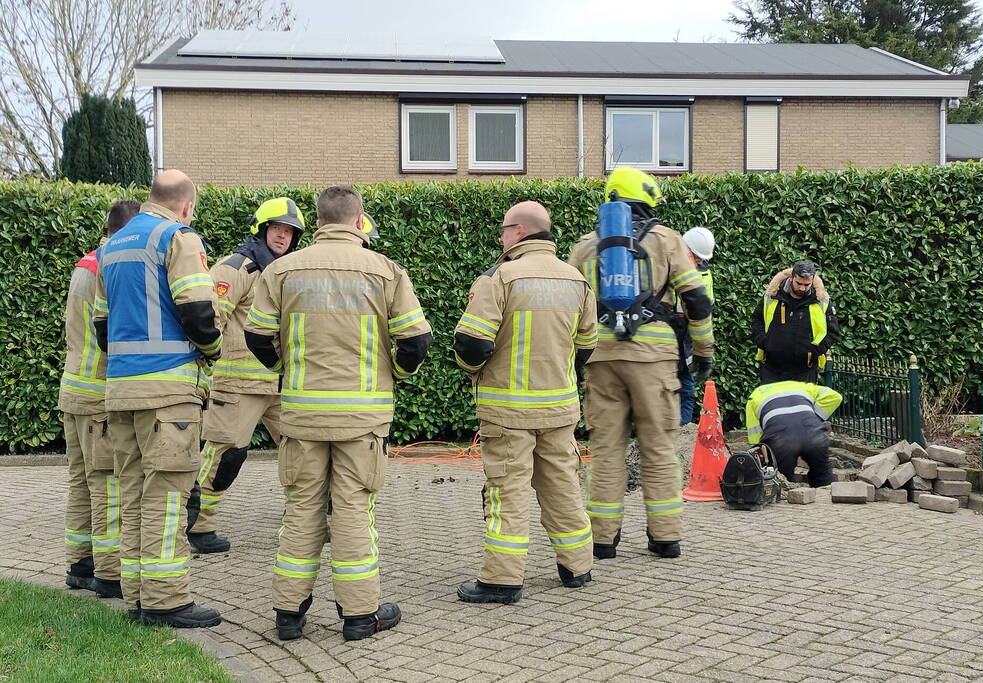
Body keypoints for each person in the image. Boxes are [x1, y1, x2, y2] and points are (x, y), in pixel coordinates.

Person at [245, 185, 432, 642]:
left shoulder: (283, 270)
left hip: (302, 414)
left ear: (317, 222)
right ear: (358, 220)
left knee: (301, 509)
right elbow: (416, 340)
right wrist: (395, 373)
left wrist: (284, 369)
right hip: (362, 417)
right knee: (353, 510)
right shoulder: (386, 270)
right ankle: (359, 615)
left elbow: (256, 336)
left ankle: (288, 614)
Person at [94, 170, 223, 628]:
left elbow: (103, 328)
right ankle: (166, 600)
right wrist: (214, 351)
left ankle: (137, 595)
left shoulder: (111, 246)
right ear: (186, 205)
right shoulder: (177, 238)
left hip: (121, 390)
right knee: (167, 497)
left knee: (132, 494)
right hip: (168, 393)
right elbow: (198, 311)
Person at [453, 201, 598, 605]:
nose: (501, 237)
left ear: (518, 231)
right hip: (559, 409)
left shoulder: (501, 277)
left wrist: (475, 372)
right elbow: (587, 346)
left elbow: (471, 343)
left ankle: (501, 580)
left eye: (504, 230)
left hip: (508, 412)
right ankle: (578, 567)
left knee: (508, 492)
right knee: (563, 486)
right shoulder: (576, 280)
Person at [568, 167, 714, 561]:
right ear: (647, 197)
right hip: (654, 358)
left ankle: (602, 540)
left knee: (606, 449)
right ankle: (665, 538)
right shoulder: (666, 239)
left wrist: (576, 356)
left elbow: (571, 305)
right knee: (659, 447)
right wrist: (703, 352)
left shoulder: (586, 245)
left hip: (602, 356)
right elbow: (697, 299)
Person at [185, 197, 305, 554]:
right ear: (261, 229)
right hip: (238, 386)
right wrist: (209, 365)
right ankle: (198, 526)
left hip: (282, 383)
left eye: (289, 231)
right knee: (226, 456)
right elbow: (210, 319)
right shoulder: (236, 268)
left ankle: (302, 521)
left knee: (303, 451)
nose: (282, 236)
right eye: (277, 228)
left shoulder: (288, 273)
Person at [59, 199, 140, 599]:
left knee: (81, 481)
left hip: (73, 389)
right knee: (108, 485)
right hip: (99, 395)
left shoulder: (85, 263)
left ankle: (80, 563)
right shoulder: (114, 265)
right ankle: (110, 573)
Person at [751, 259, 839, 384]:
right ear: (792, 277)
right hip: (772, 369)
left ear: (813, 280)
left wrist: (815, 351)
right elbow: (757, 320)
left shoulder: (821, 301)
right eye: (799, 283)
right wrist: (764, 342)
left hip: (805, 370)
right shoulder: (773, 295)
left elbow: (833, 331)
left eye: (807, 285)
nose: (802, 288)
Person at [745, 381, 843, 487]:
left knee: (782, 478)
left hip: (781, 440)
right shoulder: (804, 386)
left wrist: (761, 452)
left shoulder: (755, 395)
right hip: (814, 435)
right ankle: (826, 493)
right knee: (822, 471)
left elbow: (755, 436)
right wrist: (815, 417)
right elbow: (835, 397)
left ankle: (787, 491)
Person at [675, 227, 715, 425]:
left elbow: (707, 310)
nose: (699, 261)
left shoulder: (705, 274)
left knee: (687, 382)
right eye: (697, 257)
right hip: (668, 329)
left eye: (702, 258)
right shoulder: (669, 266)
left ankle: (683, 429)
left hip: (688, 333)